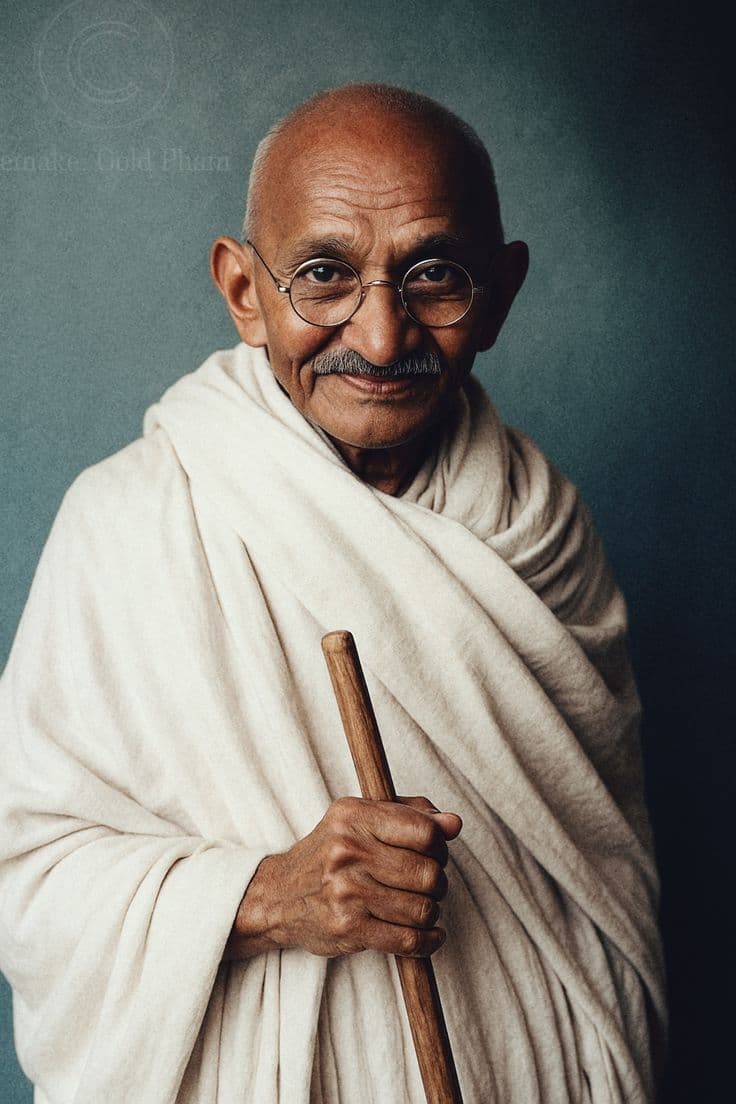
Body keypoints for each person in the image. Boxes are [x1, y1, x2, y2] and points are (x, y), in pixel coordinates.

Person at [0, 83, 665, 1103]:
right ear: (241, 288)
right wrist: (266, 895)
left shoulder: (542, 528)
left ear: (500, 290)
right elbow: (24, 880)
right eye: (323, 276)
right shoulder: (131, 524)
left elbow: (603, 899)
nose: (384, 337)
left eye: (435, 277)